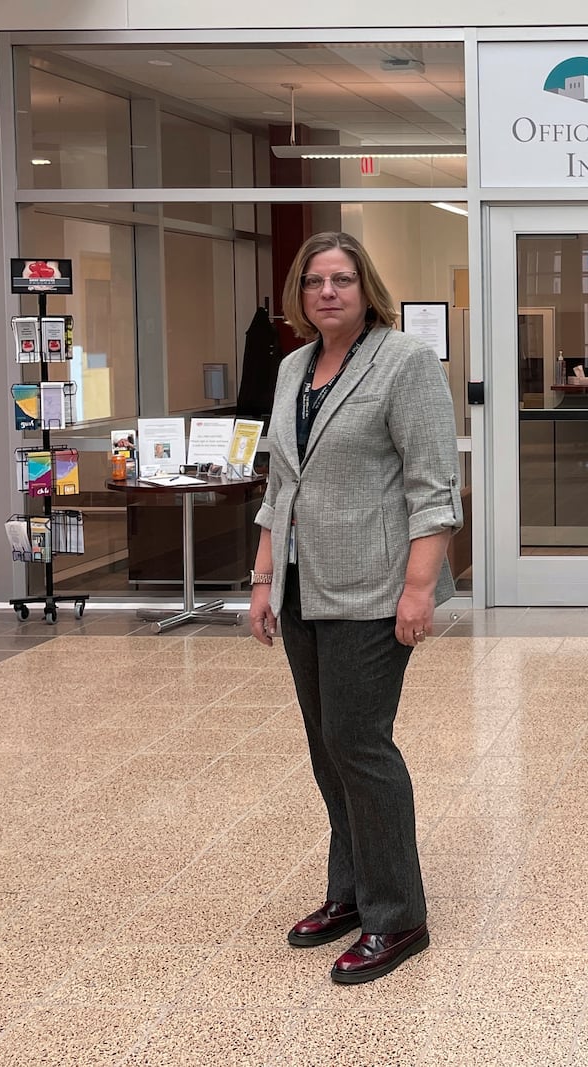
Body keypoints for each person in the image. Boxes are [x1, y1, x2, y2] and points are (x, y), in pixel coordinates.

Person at [247, 231, 462, 986]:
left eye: (341, 279)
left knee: (359, 742)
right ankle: (351, 891)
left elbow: (434, 488)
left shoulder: (404, 362)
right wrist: (262, 576)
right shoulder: (292, 368)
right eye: (313, 281)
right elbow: (282, 482)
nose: (327, 292)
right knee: (325, 744)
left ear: (366, 287)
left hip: (375, 586)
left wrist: (417, 588)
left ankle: (397, 913)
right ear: (298, 296)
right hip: (305, 581)